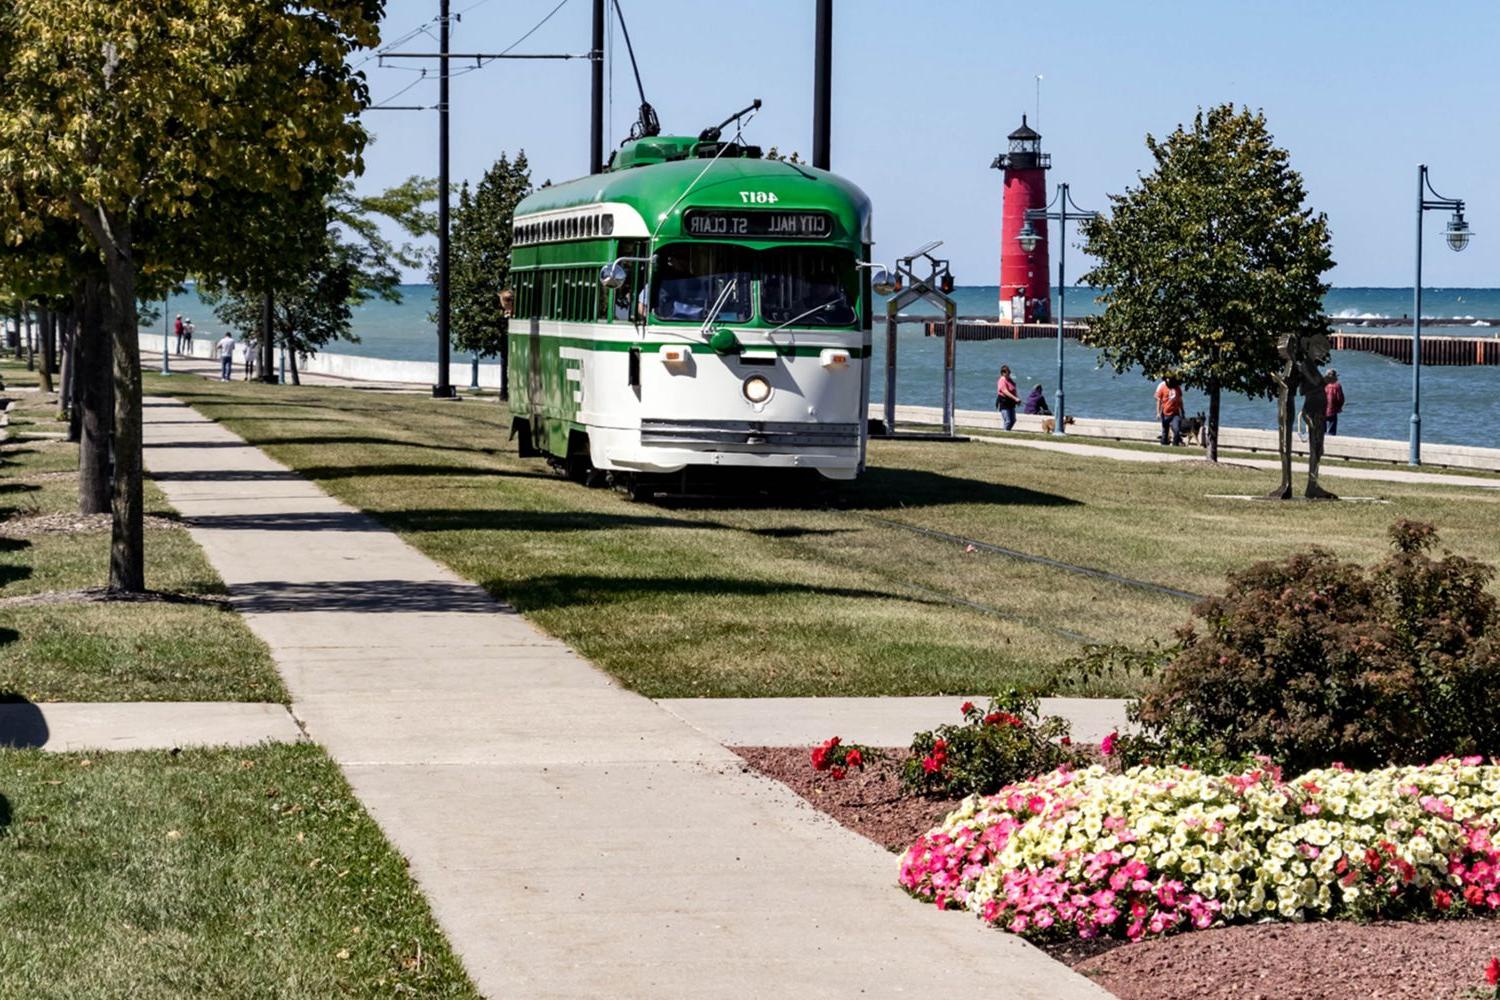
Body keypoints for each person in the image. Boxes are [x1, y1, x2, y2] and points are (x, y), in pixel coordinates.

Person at [1155, 376, 1185, 446]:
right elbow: (1158, 400)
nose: (1168, 380)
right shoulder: (1162, 387)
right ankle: (1164, 444)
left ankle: (1175, 444)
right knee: (1165, 432)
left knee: (1176, 430)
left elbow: (1180, 400)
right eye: (1167, 379)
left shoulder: (1177, 388)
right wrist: (1158, 413)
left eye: (1169, 379)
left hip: (1175, 414)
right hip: (1165, 413)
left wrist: (1182, 410)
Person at [994, 364, 1020, 430]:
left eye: (1009, 371)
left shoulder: (1010, 380)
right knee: (1008, 421)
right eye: (1007, 372)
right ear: (1003, 373)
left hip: (1011, 403)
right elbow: (1005, 391)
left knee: (1013, 420)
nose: (1009, 373)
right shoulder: (1002, 380)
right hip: (1004, 403)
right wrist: (1015, 398)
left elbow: (1014, 390)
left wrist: (1017, 399)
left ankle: (1007, 431)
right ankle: (1005, 432)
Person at [1324, 368, 1345, 436]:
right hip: (1332, 410)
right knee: (1331, 431)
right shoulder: (1337, 386)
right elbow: (1340, 399)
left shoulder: (1322, 384)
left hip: (1322, 409)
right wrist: (1339, 407)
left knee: (1322, 430)